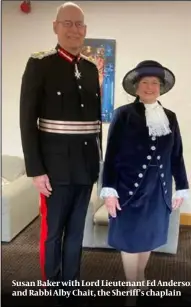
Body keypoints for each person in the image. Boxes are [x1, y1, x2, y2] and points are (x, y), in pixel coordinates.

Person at [19, 1, 102, 292]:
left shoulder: (92, 70)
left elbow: (95, 125)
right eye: (67, 23)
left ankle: (71, 285)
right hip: (53, 170)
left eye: (79, 24)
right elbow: (27, 120)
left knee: (77, 233)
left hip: (85, 168)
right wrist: (36, 170)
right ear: (55, 27)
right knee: (52, 233)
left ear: (86, 30)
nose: (74, 29)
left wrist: (97, 164)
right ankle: (52, 289)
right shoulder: (40, 64)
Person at [100, 60, 189, 305]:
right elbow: (112, 155)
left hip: (157, 190)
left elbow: (177, 155)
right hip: (127, 190)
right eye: (145, 82)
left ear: (161, 87)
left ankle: (140, 275)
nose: (150, 87)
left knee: (148, 237)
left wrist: (181, 185)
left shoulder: (170, 117)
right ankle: (132, 289)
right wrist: (109, 191)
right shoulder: (123, 114)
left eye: (155, 83)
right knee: (129, 241)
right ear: (136, 87)